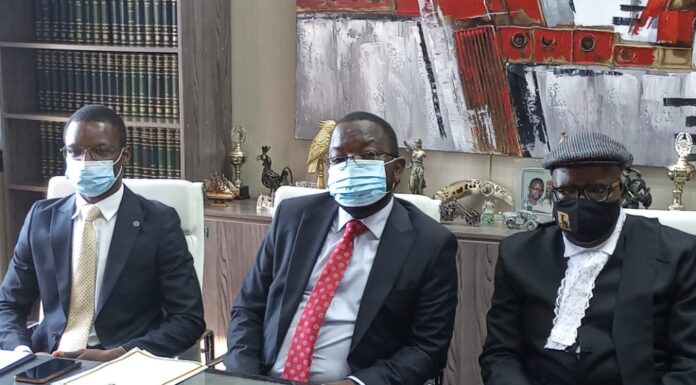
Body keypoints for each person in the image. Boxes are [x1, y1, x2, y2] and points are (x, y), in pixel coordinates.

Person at [225, 111, 458, 385]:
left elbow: (427, 349)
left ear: (397, 169)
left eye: (368, 156)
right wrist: (246, 377)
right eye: (338, 159)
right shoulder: (293, 217)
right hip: (266, 377)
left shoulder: (430, 244)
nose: (351, 167)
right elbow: (248, 308)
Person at [480, 132, 696, 385]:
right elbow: (500, 354)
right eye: (567, 191)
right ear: (553, 192)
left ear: (622, 191)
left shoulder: (677, 255)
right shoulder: (518, 254)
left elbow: (689, 365)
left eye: (597, 190)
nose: (580, 202)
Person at [0, 105, 205, 361]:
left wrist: (119, 355)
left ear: (125, 155)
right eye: (75, 152)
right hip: (47, 360)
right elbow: (8, 305)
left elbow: (187, 319)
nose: (86, 163)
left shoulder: (158, 223)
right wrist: (21, 355)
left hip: (123, 362)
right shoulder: (41, 218)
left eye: (101, 151)